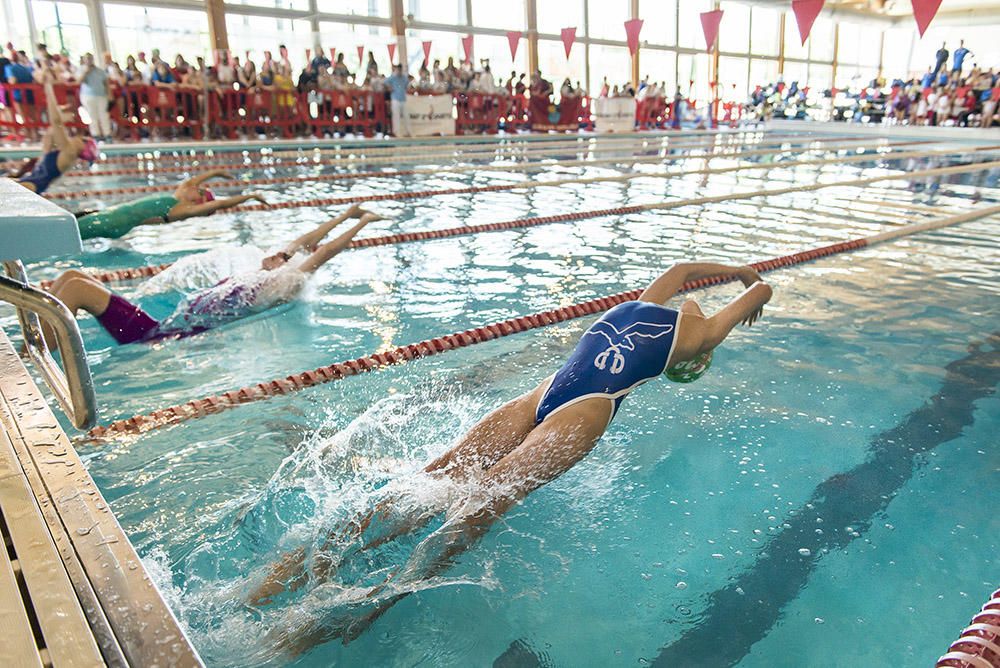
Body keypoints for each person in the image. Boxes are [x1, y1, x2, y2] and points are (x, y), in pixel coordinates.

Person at [247, 262, 773, 648]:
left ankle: (289, 573)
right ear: (699, 357)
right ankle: (372, 602)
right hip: (585, 415)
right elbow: (761, 294)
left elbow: (692, 272)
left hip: (540, 397)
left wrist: (741, 273)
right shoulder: (702, 336)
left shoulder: (649, 301)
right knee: (473, 509)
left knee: (429, 483)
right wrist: (756, 289)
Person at [44, 205, 384, 346]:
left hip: (156, 335)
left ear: (287, 269)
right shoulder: (263, 269)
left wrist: (362, 225)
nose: (280, 253)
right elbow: (309, 240)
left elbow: (323, 252)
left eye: (285, 257)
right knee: (73, 275)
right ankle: (36, 341)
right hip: (164, 324)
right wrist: (348, 213)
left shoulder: (275, 285)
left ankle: (38, 354)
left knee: (74, 287)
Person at [74, 170, 267, 240]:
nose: (194, 185)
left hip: (114, 222)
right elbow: (192, 182)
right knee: (74, 220)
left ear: (199, 199)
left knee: (70, 232)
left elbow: (222, 203)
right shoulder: (178, 197)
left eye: (199, 189)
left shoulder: (185, 210)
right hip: (110, 215)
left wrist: (250, 196)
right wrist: (216, 172)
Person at [10, 72, 98, 194]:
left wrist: (49, 88)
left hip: (32, 186)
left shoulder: (69, 152)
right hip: (30, 184)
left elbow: (55, 122)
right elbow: (52, 131)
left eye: (83, 139)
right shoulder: (62, 152)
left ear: (82, 147)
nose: (79, 137)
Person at [78, 52, 112, 141]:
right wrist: (86, 72)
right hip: (88, 96)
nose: (89, 60)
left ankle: (107, 134)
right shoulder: (81, 70)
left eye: (90, 58)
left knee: (103, 115)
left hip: (101, 95)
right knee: (93, 116)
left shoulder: (100, 71)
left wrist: (109, 95)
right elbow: (78, 81)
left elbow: (106, 84)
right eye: (87, 59)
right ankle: (96, 135)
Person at [387, 63, 411, 138]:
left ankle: (408, 131)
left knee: (406, 116)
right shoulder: (393, 77)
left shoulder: (404, 78)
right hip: (395, 99)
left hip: (403, 99)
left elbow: (407, 85)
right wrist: (389, 88)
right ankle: (396, 132)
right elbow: (384, 82)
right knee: (396, 116)